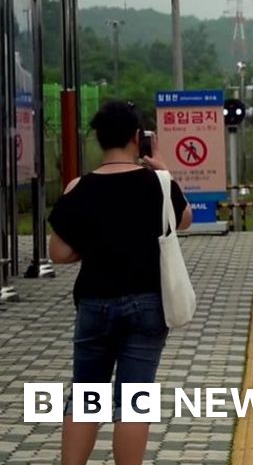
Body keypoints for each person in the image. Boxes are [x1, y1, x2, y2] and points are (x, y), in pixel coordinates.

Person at [48, 101, 192, 465]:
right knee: (133, 400)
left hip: (95, 303)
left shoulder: (79, 187)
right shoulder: (157, 183)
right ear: (136, 139)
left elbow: (58, 253)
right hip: (147, 305)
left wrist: (97, 246)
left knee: (86, 394)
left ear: (99, 139)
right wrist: (164, 170)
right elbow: (185, 220)